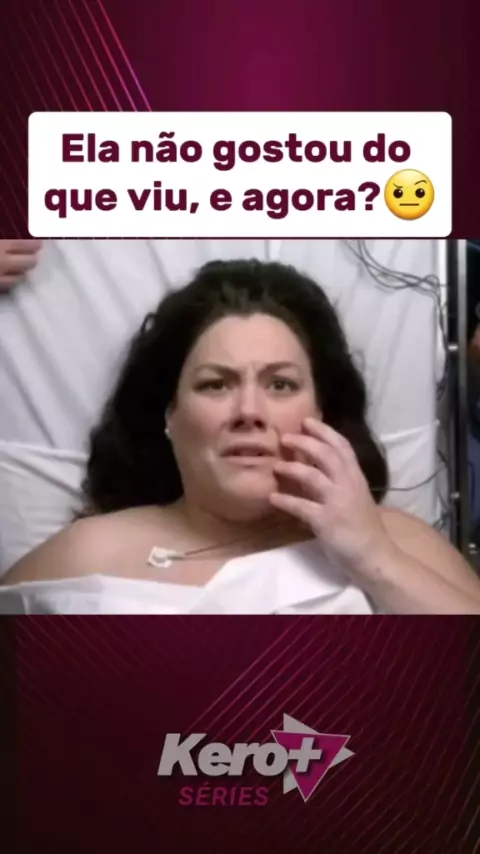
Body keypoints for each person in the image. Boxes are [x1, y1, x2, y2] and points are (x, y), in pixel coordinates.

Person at [0, 258, 479, 615]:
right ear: (170, 415)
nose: (249, 412)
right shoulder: (87, 554)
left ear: (320, 413)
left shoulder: (396, 542)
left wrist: (375, 560)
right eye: (215, 385)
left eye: (280, 385)